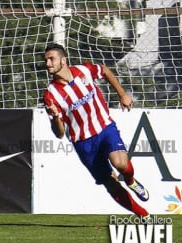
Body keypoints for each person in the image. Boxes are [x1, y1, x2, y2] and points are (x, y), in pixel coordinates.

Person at [43, 43, 150, 218]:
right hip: (83, 143)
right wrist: (55, 117)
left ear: (63, 60)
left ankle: (130, 180)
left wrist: (122, 94)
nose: (47, 63)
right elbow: (60, 133)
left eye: (51, 59)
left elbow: (105, 71)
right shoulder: (50, 94)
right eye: (46, 60)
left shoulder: (84, 70)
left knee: (121, 164)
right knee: (110, 183)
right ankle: (143, 215)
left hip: (104, 127)